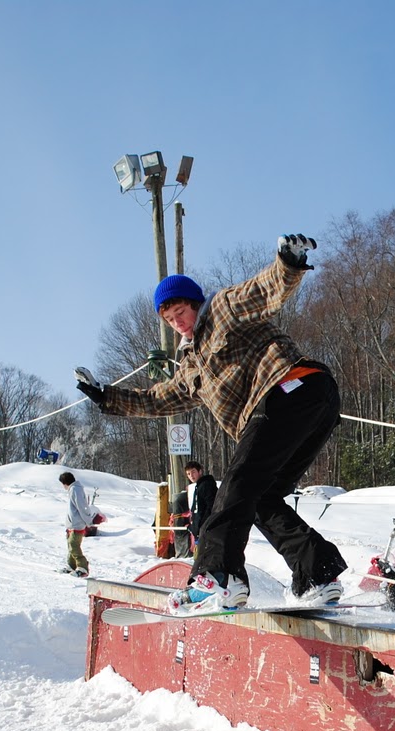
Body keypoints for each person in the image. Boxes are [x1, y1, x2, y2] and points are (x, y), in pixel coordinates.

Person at [75, 233, 347, 613]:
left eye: (182, 313)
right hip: (311, 405)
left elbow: (264, 291)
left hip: (290, 385)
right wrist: (107, 397)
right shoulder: (191, 370)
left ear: (195, 304)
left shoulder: (222, 310)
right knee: (261, 497)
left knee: (235, 485)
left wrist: (288, 263)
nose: (179, 324)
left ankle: (218, 578)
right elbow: (156, 399)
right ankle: (318, 572)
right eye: (170, 320)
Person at [179, 460, 217, 558]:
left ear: (200, 471)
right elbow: (197, 511)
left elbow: (211, 507)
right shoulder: (198, 487)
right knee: (198, 559)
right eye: (188, 474)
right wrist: (193, 526)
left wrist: (203, 526)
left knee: (203, 560)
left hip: (206, 532)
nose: (191, 475)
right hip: (200, 532)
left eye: (193, 472)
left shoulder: (206, 485)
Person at [59, 471, 92, 578]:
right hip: (72, 524)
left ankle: (83, 568)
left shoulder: (75, 490)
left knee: (74, 546)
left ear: (65, 483)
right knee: (70, 545)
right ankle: (71, 566)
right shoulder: (73, 489)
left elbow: (82, 507)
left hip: (77, 524)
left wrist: (88, 521)